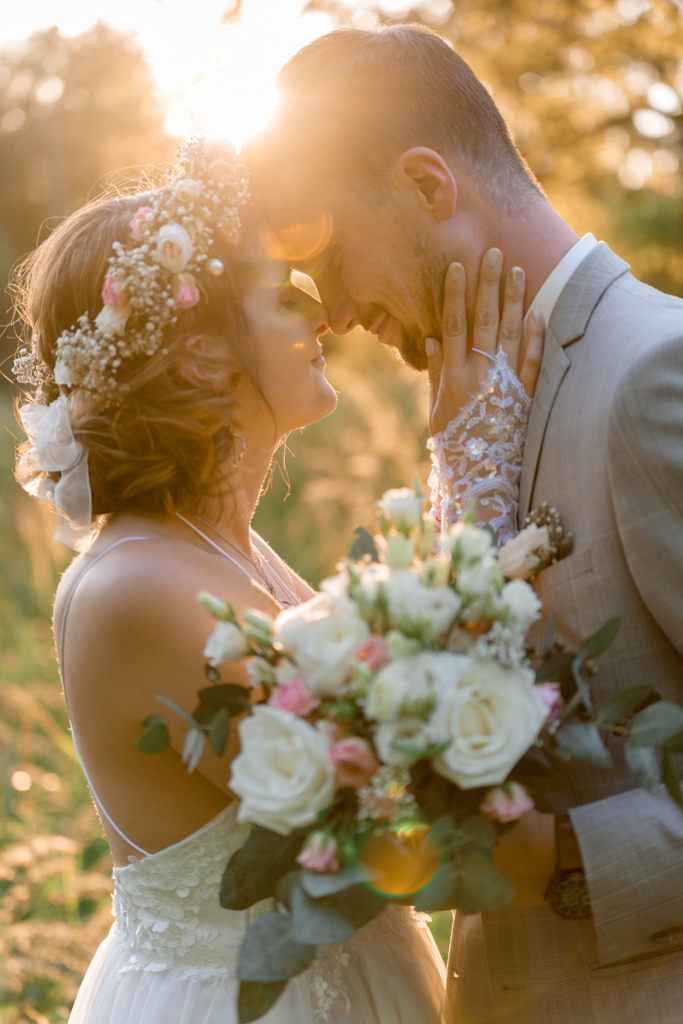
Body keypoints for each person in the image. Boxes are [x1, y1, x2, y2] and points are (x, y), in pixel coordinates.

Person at [12, 137, 542, 1023]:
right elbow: (413, 828)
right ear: (198, 359)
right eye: (279, 293)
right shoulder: (138, 586)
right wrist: (470, 461)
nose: (322, 315)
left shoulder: (222, 547)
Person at [245, 23, 683, 1024]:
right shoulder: (466, 398)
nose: (339, 314)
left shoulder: (652, 375)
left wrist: (565, 853)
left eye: (335, 253)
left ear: (427, 187)